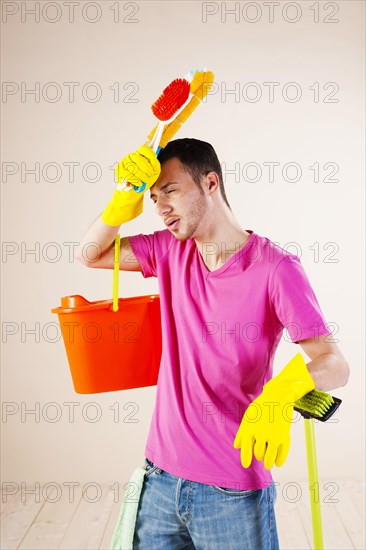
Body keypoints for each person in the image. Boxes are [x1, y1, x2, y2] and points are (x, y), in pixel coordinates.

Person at [76, 138, 349, 549]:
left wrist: (281, 393)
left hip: (231, 493)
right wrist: (119, 204)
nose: (161, 206)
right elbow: (91, 254)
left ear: (210, 182)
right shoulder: (169, 250)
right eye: (153, 198)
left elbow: (334, 363)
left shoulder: (275, 269)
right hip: (159, 479)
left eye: (170, 191)